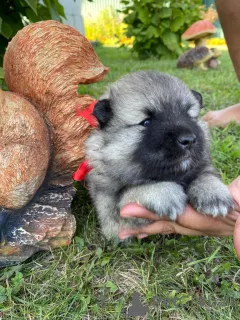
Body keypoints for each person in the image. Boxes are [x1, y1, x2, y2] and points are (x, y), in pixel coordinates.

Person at [119, 0, 240, 257]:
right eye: (147, 122)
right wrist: (142, 192)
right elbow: (112, 216)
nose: (185, 134)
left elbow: (202, 170)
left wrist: (205, 184)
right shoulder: (110, 167)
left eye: (188, 114)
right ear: (106, 123)